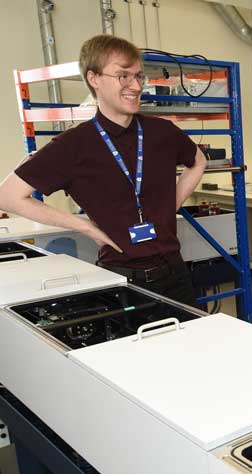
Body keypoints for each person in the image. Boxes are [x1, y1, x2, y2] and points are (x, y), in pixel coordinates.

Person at [0, 35, 207, 306]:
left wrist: (172, 204)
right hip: (122, 281)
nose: (135, 86)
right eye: (123, 76)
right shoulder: (73, 145)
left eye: (138, 76)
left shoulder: (162, 131)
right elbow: (8, 196)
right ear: (94, 78)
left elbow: (198, 161)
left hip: (176, 274)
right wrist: (84, 226)